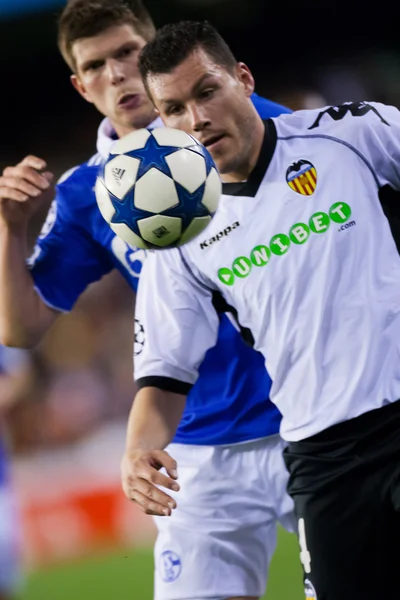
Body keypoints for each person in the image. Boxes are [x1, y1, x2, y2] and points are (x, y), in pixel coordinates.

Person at [0, 2, 297, 600]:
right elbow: (20, 330)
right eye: (95, 64)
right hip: (195, 451)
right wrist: (10, 229)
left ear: (154, 48)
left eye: (127, 52)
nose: (115, 72)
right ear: (80, 85)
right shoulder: (86, 193)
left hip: (308, 419)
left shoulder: (246, 122)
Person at [123, 19, 400, 600]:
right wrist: (137, 447)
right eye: (173, 109)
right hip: (322, 459)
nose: (196, 120)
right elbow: (164, 374)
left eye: (206, 91)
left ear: (243, 80)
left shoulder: (353, 134)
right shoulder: (180, 231)